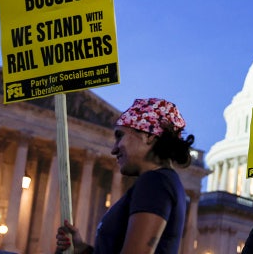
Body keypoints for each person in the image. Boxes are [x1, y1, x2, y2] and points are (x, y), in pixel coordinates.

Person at [55, 98, 194, 254]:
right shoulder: (162, 181)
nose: (114, 149)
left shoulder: (154, 182)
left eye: (120, 136)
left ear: (148, 135)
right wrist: (82, 249)